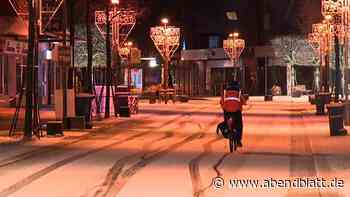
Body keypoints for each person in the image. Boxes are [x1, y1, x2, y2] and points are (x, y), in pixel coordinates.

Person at [220, 81, 246, 147]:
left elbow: (221, 101)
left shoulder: (225, 93)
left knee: (226, 122)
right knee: (240, 125)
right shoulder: (238, 93)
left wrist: (224, 107)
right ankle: (238, 140)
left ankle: (228, 132)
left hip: (227, 111)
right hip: (237, 112)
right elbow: (243, 102)